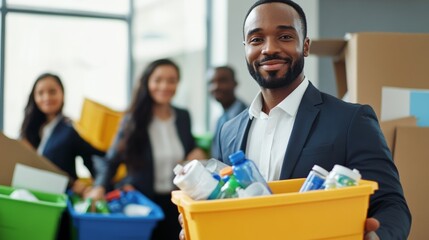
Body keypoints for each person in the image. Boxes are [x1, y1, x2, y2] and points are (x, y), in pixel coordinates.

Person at [182, 0, 412, 239]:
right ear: (245, 48)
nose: (269, 48)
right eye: (256, 39)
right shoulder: (228, 131)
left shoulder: (352, 120)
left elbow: (391, 205)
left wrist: (378, 236)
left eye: (284, 37)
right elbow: (221, 203)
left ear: (305, 46)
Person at [85, 58, 206, 240]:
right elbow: (111, 160)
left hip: (176, 202)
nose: (165, 86)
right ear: (147, 82)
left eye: (171, 80)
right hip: (143, 204)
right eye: (158, 80)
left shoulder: (183, 116)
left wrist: (196, 151)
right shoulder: (132, 120)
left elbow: (189, 147)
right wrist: (99, 186)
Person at [20, 72, 104, 183]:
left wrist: (97, 186)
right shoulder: (31, 129)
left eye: (52, 92)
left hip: (61, 193)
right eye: (40, 93)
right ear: (34, 97)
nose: (46, 97)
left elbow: (96, 162)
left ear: (62, 94)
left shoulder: (72, 128)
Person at [208, 66, 247, 155]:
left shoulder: (250, 115)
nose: (216, 87)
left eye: (222, 81)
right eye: (211, 82)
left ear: (235, 83)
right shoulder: (220, 120)